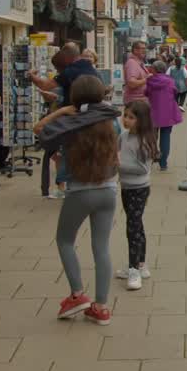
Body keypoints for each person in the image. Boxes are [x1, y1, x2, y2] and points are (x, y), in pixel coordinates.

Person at [34, 76, 119, 326]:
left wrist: (61, 110)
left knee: (65, 240)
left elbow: (38, 129)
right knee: (101, 247)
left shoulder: (70, 122)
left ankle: (77, 294)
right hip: (108, 190)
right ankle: (101, 307)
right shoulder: (112, 121)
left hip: (79, 190)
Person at [117, 100, 158, 292]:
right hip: (126, 188)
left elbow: (142, 169)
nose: (126, 120)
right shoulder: (123, 136)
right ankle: (140, 264)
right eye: (125, 115)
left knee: (132, 227)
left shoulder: (144, 140)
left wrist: (117, 164)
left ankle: (134, 269)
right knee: (136, 224)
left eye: (131, 117)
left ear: (141, 120)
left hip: (138, 189)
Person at [145, 61, 182, 171]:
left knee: (152, 137)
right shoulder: (170, 81)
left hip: (154, 112)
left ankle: (152, 157)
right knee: (165, 137)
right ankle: (163, 163)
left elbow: (146, 93)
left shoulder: (150, 81)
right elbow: (175, 92)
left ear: (155, 70)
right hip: (168, 112)